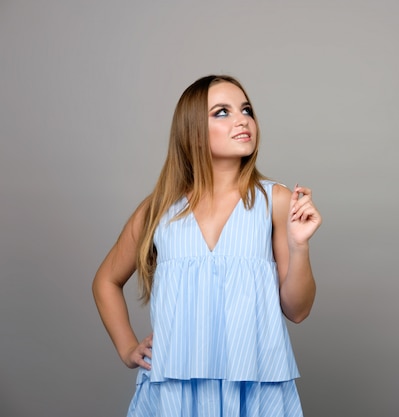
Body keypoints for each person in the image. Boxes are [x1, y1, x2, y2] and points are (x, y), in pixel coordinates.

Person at [92, 74, 321, 417]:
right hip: (174, 390)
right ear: (192, 130)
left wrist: (299, 246)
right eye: (222, 112)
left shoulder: (274, 200)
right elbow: (105, 281)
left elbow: (298, 310)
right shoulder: (158, 210)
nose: (242, 119)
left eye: (246, 109)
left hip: (255, 387)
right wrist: (127, 347)